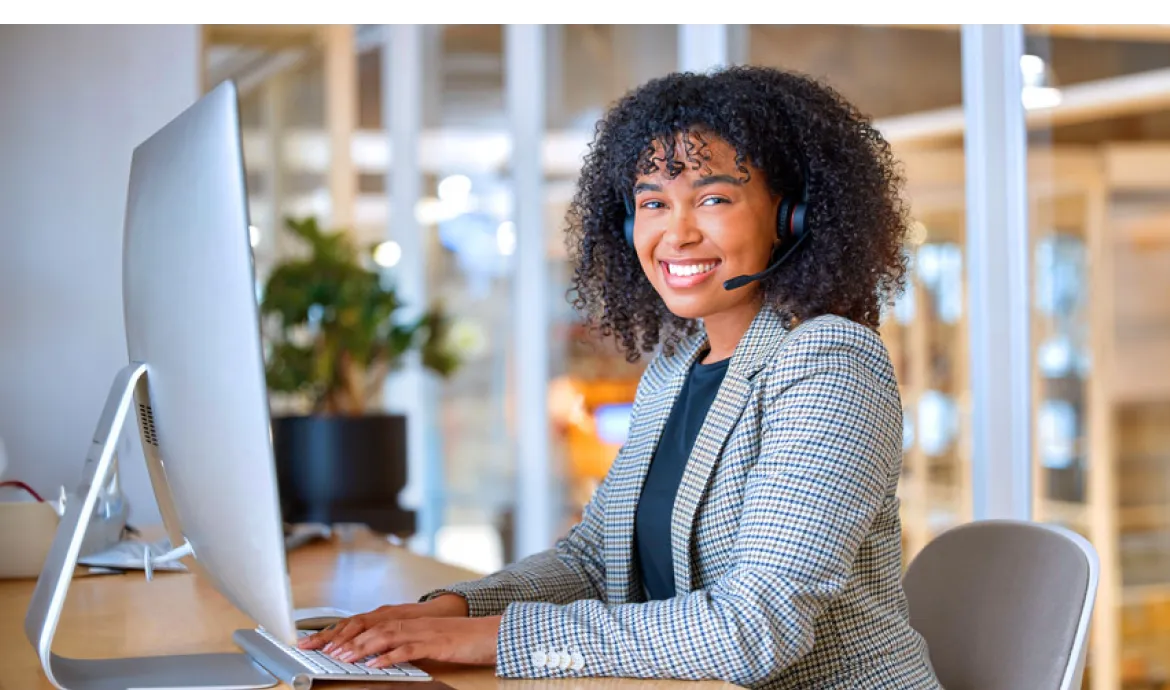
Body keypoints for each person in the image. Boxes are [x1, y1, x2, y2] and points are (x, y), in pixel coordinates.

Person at [299, 65, 943, 689]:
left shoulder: (829, 361)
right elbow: (591, 559)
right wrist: (450, 611)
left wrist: (497, 639)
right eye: (652, 203)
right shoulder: (676, 368)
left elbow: (753, 630)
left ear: (790, 218)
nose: (677, 232)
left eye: (714, 198)